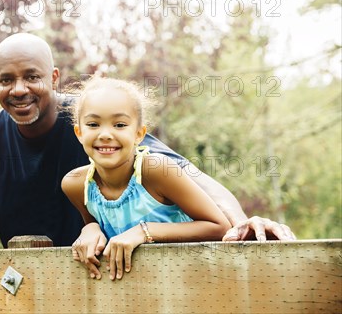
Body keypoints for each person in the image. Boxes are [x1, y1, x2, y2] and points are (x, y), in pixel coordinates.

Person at [0, 32, 295, 249]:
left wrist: (240, 226)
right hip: (32, 288)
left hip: (115, 284)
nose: (19, 90)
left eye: (32, 76)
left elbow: (190, 177)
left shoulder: (95, 120)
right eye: (6, 80)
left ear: (54, 77)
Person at [61, 77, 230, 281]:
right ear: (79, 132)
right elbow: (98, 228)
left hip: (194, 279)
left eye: (120, 124)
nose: (105, 134)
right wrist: (90, 229)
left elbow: (219, 226)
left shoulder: (156, 170)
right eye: (93, 124)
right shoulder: (76, 185)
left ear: (139, 133)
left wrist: (144, 231)